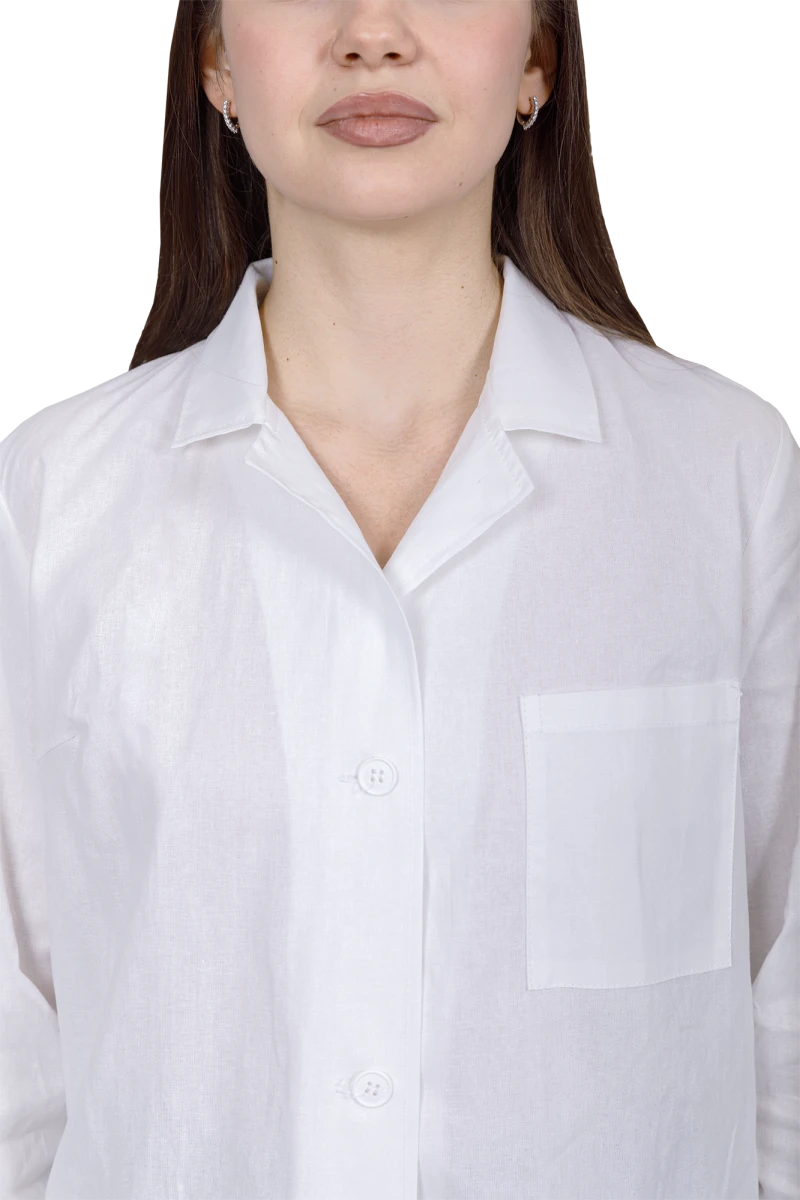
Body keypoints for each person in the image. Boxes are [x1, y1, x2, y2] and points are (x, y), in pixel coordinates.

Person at [1, 1, 797, 1198]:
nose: (371, 32)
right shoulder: (55, 494)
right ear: (215, 63)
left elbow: (782, 1020)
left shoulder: (724, 474)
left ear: (536, 60)